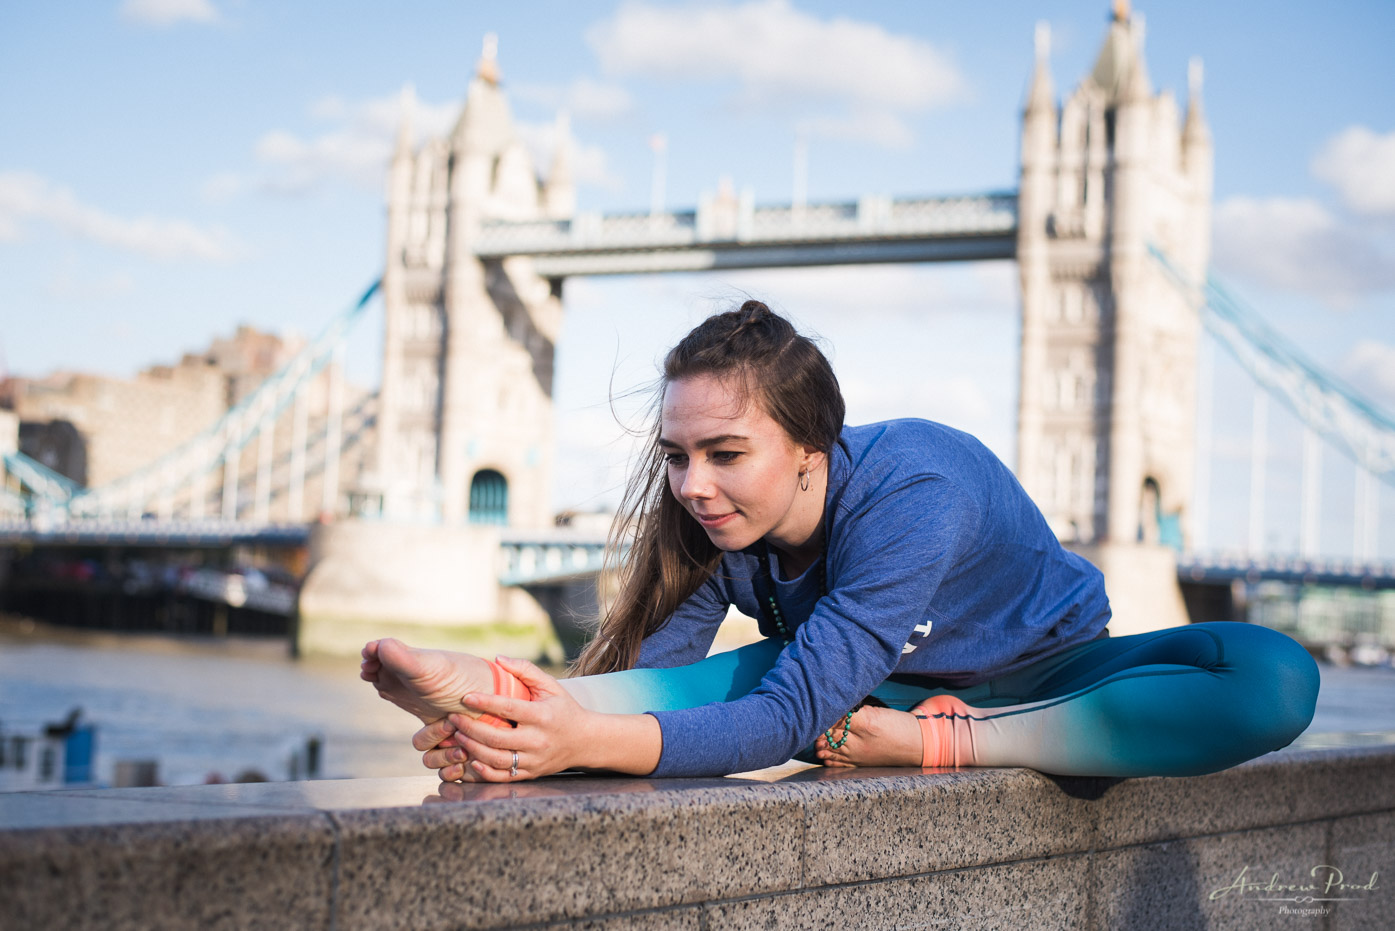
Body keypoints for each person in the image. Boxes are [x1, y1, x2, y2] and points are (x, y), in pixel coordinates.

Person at [360, 300, 1319, 783]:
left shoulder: (917, 489)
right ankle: (481, 680)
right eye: (678, 454)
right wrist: (524, 730)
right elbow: (667, 677)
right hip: (853, 692)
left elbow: (784, 721)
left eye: (725, 453)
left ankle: (955, 745)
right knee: (699, 686)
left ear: (811, 447)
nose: (693, 484)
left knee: (1276, 678)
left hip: (1049, 681)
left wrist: (587, 741)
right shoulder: (713, 517)